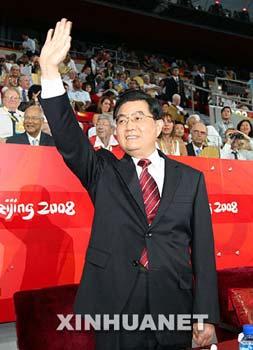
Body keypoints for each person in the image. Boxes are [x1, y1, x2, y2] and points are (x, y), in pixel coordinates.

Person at [39, 19, 219, 350]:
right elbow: (67, 137)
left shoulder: (191, 180)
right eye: (122, 120)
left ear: (161, 125)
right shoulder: (103, 170)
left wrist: (205, 314)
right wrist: (50, 72)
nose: (128, 126)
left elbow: (204, 252)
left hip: (173, 304)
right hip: (115, 302)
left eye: (137, 117)